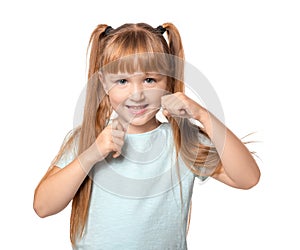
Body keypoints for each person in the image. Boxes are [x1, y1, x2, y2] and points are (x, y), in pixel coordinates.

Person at [33, 23, 260, 250]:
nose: (138, 94)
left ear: (168, 80)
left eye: (150, 80)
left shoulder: (182, 141)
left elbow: (248, 178)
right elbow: (43, 206)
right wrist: (92, 155)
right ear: (103, 82)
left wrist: (203, 116)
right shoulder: (88, 140)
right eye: (122, 81)